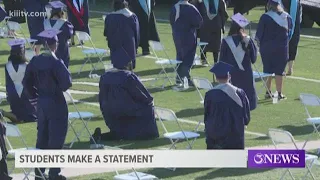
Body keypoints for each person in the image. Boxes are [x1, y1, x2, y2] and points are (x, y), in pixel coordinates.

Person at [23, 29, 71, 180]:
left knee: (42, 137)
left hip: (42, 103)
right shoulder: (56, 62)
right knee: (56, 138)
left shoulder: (35, 61)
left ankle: (39, 172)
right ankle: (54, 173)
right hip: (56, 102)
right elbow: (66, 83)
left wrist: (34, 98)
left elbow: (26, 82)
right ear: (54, 45)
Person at [92, 61, 159, 141]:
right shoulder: (128, 76)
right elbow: (143, 96)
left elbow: (101, 96)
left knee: (119, 133)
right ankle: (149, 134)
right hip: (127, 111)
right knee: (148, 106)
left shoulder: (104, 77)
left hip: (110, 112)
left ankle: (102, 137)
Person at [204, 62, 250, 149]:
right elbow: (246, 115)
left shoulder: (210, 94)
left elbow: (207, 114)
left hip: (214, 133)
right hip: (234, 134)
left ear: (216, 78)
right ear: (229, 77)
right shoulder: (239, 93)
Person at [219, 13, 257, 111]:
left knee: (234, 100)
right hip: (246, 74)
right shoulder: (248, 40)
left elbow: (222, 61)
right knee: (247, 101)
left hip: (232, 75)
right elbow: (254, 59)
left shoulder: (226, 41)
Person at [255, 0, 292, 100]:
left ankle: (268, 92)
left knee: (267, 70)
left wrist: (259, 46)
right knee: (279, 71)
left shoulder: (265, 17)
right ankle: (279, 93)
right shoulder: (287, 17)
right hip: (281, 48)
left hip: (266, 48)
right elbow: (290, 33)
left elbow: (258, 35)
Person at [0, 39, 37, 123]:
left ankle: (6, 113)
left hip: (13, 96)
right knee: (33, 117)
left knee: (19, 114)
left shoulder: (7, 65)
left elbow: (8, 83)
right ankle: (6, 114)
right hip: (26, 96)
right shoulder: (27, 66)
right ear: (22, 52)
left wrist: (9, 97)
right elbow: (33, 83)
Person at [169, 0, 203, 85]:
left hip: (177, 35)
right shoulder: (191, 8)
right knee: (188, 57)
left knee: (180, 56)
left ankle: (178, 78)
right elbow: (198, 22)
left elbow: (171, 21)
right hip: (188, 35)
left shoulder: (175, 7)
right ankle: (186, 78)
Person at [104, 0, 139, 70]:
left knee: (117, 70)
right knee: (128, 72)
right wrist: (136, 47)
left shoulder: (109, 17)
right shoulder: (132, 17)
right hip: (129, 50)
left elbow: (106, 33)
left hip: (115, 49)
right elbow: (137, 34)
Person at [192, 0, 228, 66]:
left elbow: (224, 14)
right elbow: (224, 15)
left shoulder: (220, 1)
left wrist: (222, 25)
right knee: (210, 43)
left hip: (209, 25)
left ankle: (207, 61)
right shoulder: (201, 1)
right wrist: (222, 25)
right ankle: (212, 61)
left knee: (213, 43)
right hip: (210, 25)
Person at [44, 1, 74, 68]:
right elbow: (69, 35)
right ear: (61, 12)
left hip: (48, 51)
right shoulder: (65, 24)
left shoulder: (45, 22)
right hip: (62, 51)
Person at [282, 0, 302, 75]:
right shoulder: (297, 2)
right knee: (293, 43)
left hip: (284, 23)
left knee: (284, 44)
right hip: (294, 24)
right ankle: (290, 68)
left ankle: (284, 68)